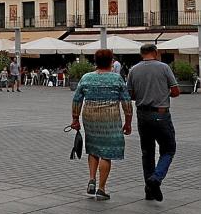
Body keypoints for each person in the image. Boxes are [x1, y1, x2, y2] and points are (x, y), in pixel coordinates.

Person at [71, 49, 133, 201]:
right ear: (111, 62)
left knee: (93, 148)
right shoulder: (116, 79)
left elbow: (77, 99)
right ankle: (101, 188)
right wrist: (128, 122)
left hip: (90, 117)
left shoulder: (86, 78)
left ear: (95, 62)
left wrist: (75, 119)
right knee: (107, 152)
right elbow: (126, 102)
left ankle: (92, 179)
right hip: (110, 118)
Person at [127, 43, 180, 202]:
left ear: (141, 54)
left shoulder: (133, 70)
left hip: (143, 115)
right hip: (161, 114)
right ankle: (156, 178)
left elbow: (130, 94)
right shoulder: (164, 67)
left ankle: (149, 191)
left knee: (147, 152)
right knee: (168, 149)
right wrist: (163, 93)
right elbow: (176, 91)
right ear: (155, 52)